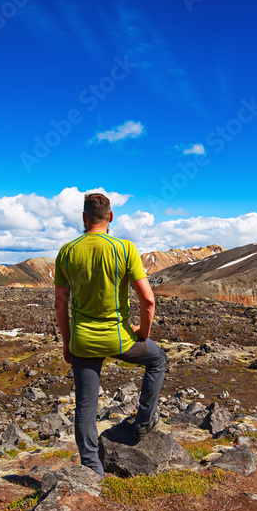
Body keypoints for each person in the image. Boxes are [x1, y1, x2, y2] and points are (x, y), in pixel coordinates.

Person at [53, 192, 168, 476]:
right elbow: (148, 300)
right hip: (121, 338)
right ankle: (142, 423)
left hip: (82, 341)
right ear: (111, 217)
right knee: (158, 360)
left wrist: (67, 344)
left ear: (83, 218)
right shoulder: (125, 248)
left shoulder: (67, 251)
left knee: (85, 407)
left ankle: (92, 470)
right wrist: (144, 331)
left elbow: (60, 304)